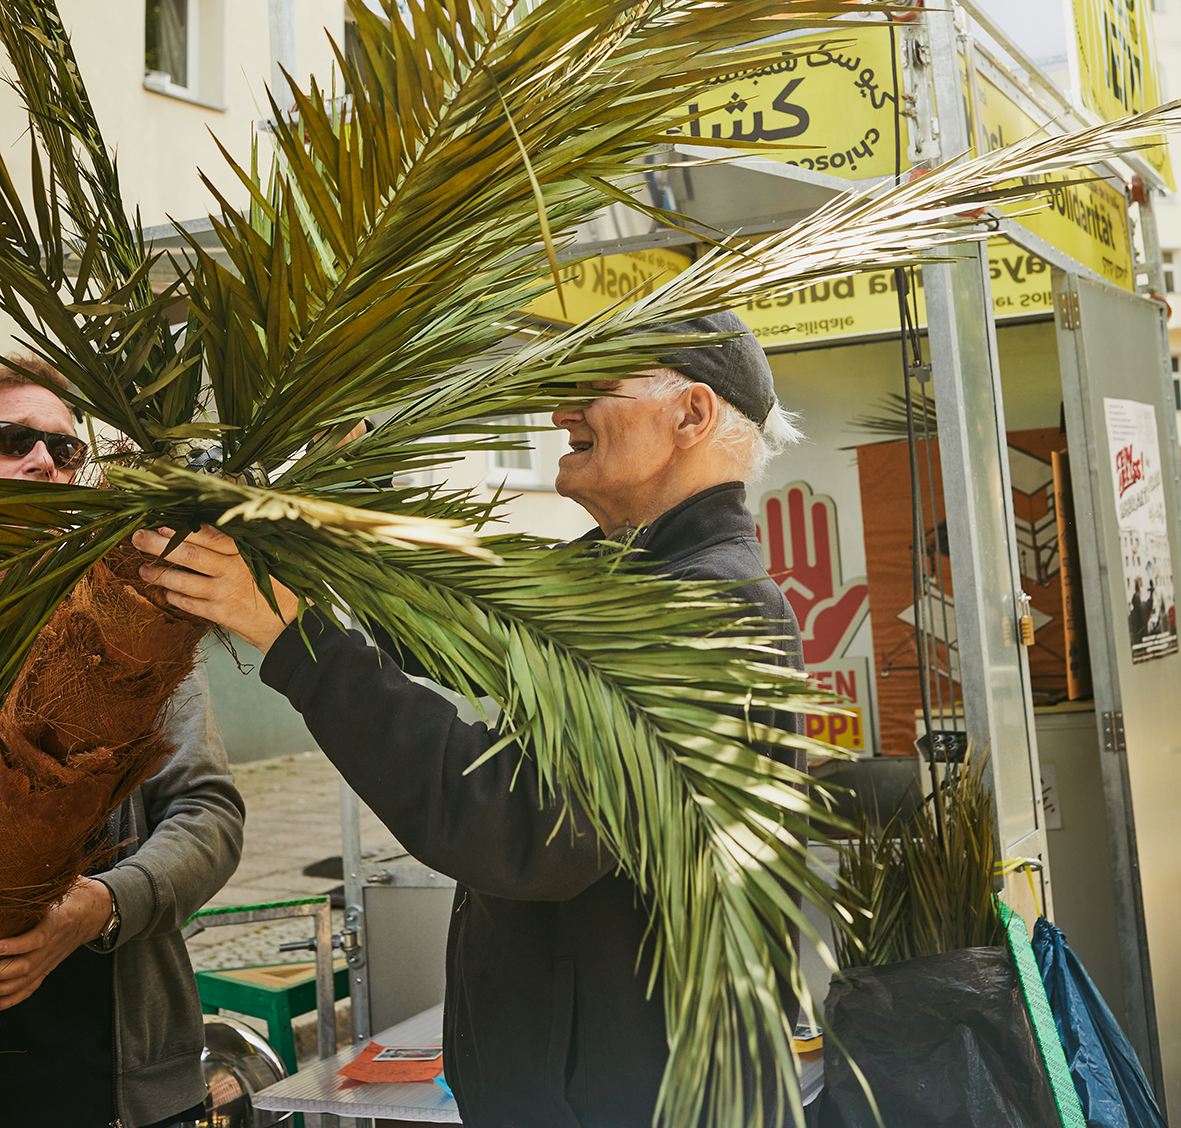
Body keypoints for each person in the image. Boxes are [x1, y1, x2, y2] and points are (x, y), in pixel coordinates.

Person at [133, 313, 804, 1128]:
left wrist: (292, 635)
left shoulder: (710, 604)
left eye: (594, 388)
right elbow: (437, 619)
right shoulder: (617, 575)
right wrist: (346, 489)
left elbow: (520, 826)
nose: (560, 411)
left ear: (690, 414)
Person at [0, 358, 245, 1128]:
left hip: (114, 1082)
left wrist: (101, 906)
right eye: (11, 440)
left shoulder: (132, 617)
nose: (44, 461)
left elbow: (208, 815)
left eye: (64, 448)